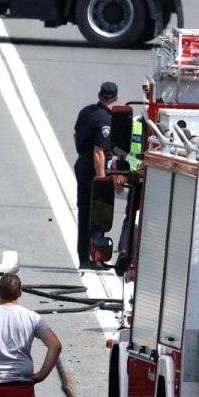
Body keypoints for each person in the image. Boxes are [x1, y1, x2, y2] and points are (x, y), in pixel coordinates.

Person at [73, 81, 118, 270]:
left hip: (81, 164)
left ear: (100, 95)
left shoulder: (87, 111)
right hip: (93, 169)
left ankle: (84, 258)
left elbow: (75, 134)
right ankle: (95, 255)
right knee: (98, 215)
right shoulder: (105, 120)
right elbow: (98, 152)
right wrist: (102, 180)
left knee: (84, 214)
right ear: (116, 97)